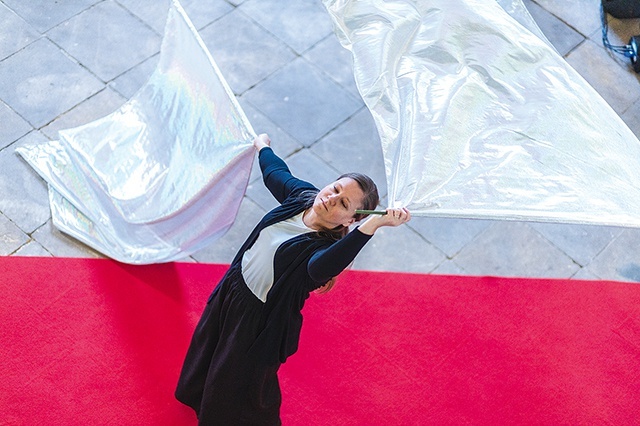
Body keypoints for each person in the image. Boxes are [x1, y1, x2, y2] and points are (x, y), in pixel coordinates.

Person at [175, 133, 410, 425]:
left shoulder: (324, 249)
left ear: (351, 220)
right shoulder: (303, 197)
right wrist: (263, 147)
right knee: (208, 345)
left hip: (259, 322)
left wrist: (373, 225)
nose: (331, 199)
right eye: (335, 188)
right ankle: (196, 394)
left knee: (235, 380)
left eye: (344, 203)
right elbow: (276, 174)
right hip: (234, 290)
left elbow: (321, 267)